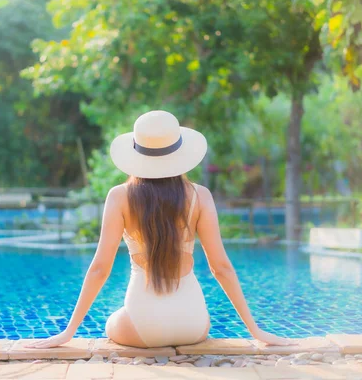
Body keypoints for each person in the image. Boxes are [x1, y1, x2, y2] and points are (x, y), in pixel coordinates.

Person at [26, 110, 295, 349]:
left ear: (136, 153)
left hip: (144, 327)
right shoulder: (200, 196)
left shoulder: (120, 197)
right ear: (179, 153)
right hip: (192, 326)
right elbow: (221, 268)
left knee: (112, 321)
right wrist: (255, 330)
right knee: (202, 315)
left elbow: (100, 269)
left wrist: (68, 333)